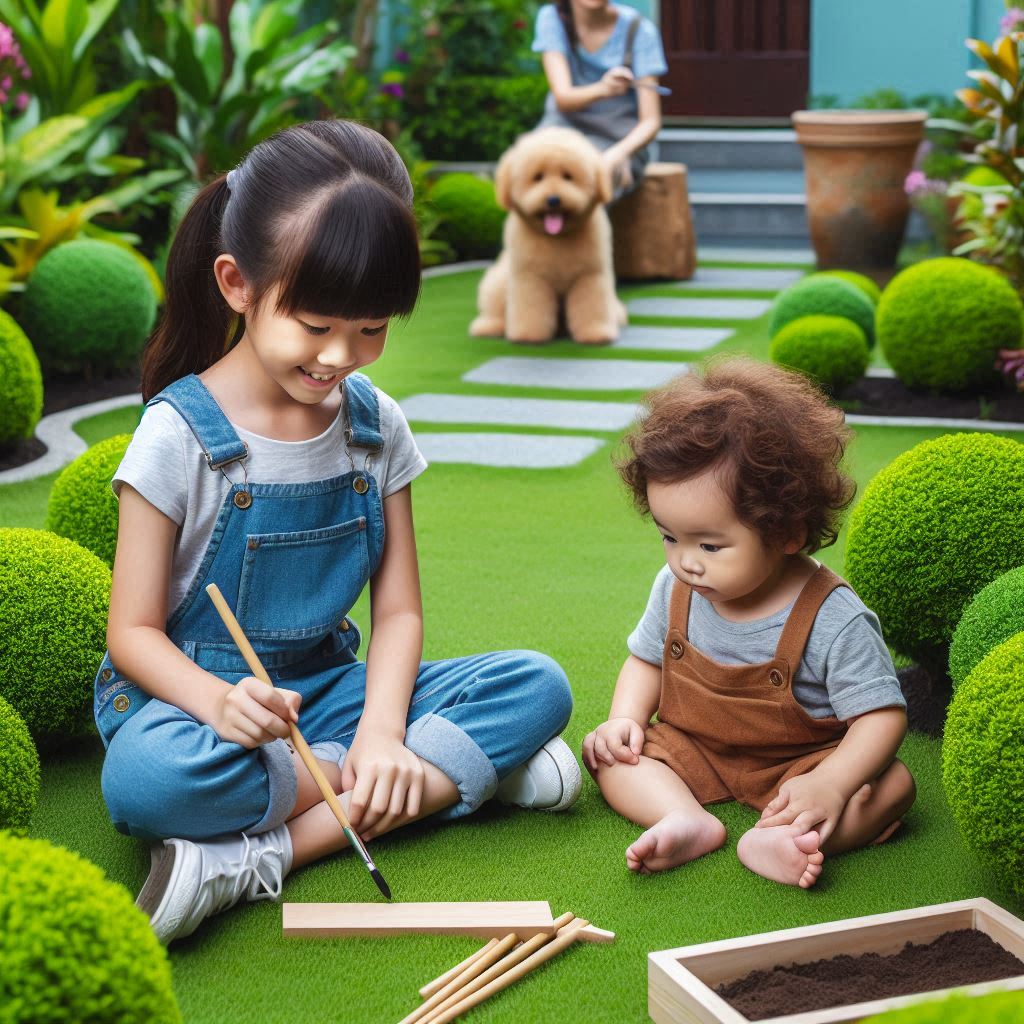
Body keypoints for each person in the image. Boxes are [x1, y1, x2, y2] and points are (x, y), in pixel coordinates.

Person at [97, 119, 580, 945]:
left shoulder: (373, 425)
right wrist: (220, 701)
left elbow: (399, 612)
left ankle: (262, 855)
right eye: (316, 326)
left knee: (538, 686)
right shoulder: (177, 435)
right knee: (148, 783)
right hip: (196, 707)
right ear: (237, 283)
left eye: (371, 328)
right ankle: (449, 774)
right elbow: (132, 634)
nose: (340, 357)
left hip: (333, 693)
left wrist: (383, 731)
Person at [582, 358, 916, 888]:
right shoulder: (676, 589)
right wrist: (624, 718)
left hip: (800, 766)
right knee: (612, 759)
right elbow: (646, 661)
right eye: (669, 537)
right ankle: (682, 816)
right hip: (695, 750)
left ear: (786, 532)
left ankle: (779, 836)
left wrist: (830, 783)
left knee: (891, 787)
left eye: (710, 546)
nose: (686, 562)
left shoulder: (834, 617)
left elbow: (881, 719)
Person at [532, 0, 668, 199]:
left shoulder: (639, 30)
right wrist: (604, 89)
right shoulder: (553, 18)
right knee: (528, 169)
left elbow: (651, 121)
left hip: (617, 140)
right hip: (560, 130)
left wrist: (618, 154)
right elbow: (564, 98)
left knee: (590, 183)